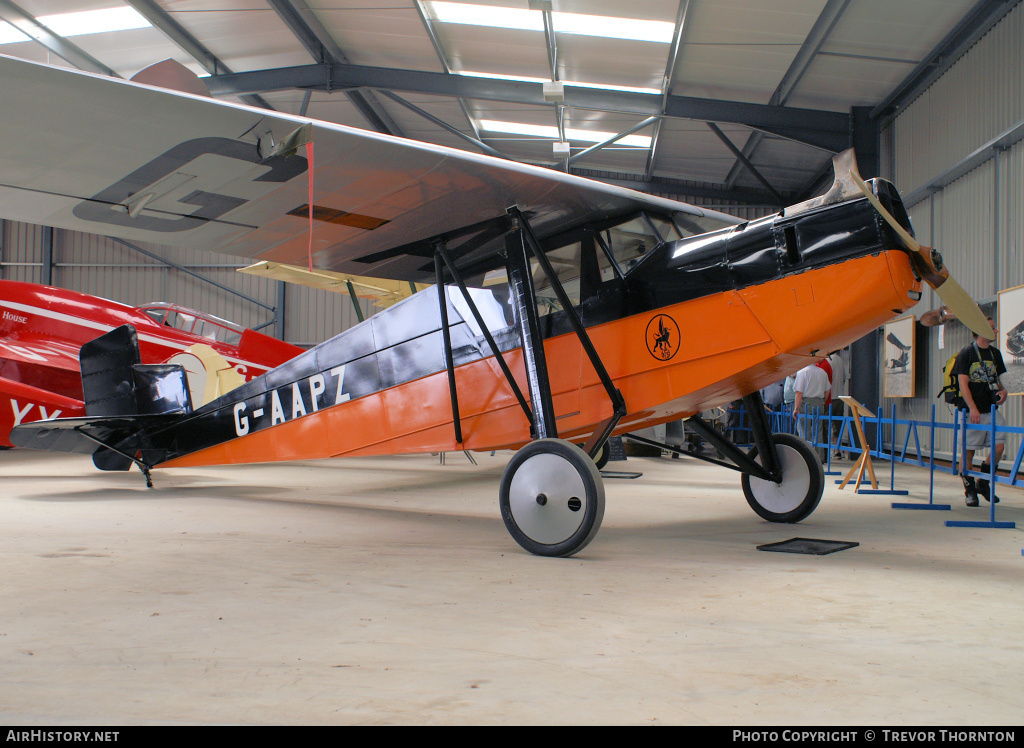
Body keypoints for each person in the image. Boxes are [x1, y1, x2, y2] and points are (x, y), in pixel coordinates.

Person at [954, 317, 1008, 506]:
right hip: (971, 411)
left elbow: (998, 379)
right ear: (982, 329)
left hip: (991, 409)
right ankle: (970, 491)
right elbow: (963, 383)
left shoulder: (995, 353)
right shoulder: (966, 353)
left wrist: (1003, 391)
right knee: (968, 450)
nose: (996, 331)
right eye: (993, 328)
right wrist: (973, 409)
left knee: (999, 445)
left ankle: (983, 483)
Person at [793, 361, 830, 458]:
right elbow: (827, 390)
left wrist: (796, 408)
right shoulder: (822, 372)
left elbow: (799, 393)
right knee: (818, 430)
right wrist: (822, 401)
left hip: (806, 403)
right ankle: (819, 457)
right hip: (819, 403)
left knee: (804, 429)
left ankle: (806, 456)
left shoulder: (802, 372)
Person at [827, 350, 848, 458]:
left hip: (829, 397)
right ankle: (837, 449)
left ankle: (824, 451)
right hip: (839, 397)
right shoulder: (840, 361)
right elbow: (844, 379)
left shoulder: (827, 361)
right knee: (838, 425)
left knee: (825, 424)